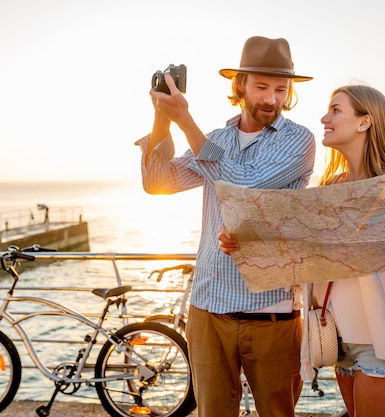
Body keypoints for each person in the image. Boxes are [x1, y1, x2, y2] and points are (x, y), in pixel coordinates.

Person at [219, 84, 385, 417]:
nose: (324, 117)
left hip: (382, 346)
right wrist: (242, 242)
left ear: (364, 122)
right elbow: (300, 257)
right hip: (337, 342)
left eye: (336, 110)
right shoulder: (329, 188)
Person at [135, 36, 316, 417]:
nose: (271, 98)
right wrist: (162, 116)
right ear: (240, 85)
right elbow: (158, 182)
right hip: (208, 311)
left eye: (280, 89)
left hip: (272, 314)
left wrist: (186, 120)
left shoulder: (299, 140)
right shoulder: (214, 140)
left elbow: (243, 185)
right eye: (262, 87)